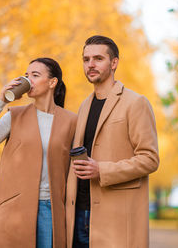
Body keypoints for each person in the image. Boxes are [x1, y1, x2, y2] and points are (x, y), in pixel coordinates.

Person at [66, 36, 160, 248]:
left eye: (98, 58)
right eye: (86, 59)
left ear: (114, 62)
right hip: (78, 215)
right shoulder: (83, 107)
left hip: (114, 218)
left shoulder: (136, 103)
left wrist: (102, 170)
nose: (91, 64)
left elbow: (150, 159)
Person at [0, 57, 77, 248]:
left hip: (52, 210)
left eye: (35, 75)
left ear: (52, 82)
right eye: (26, 75)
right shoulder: (15, 115)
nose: (28, 80)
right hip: (14, 210)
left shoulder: (71, 121)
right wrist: (0, 101)